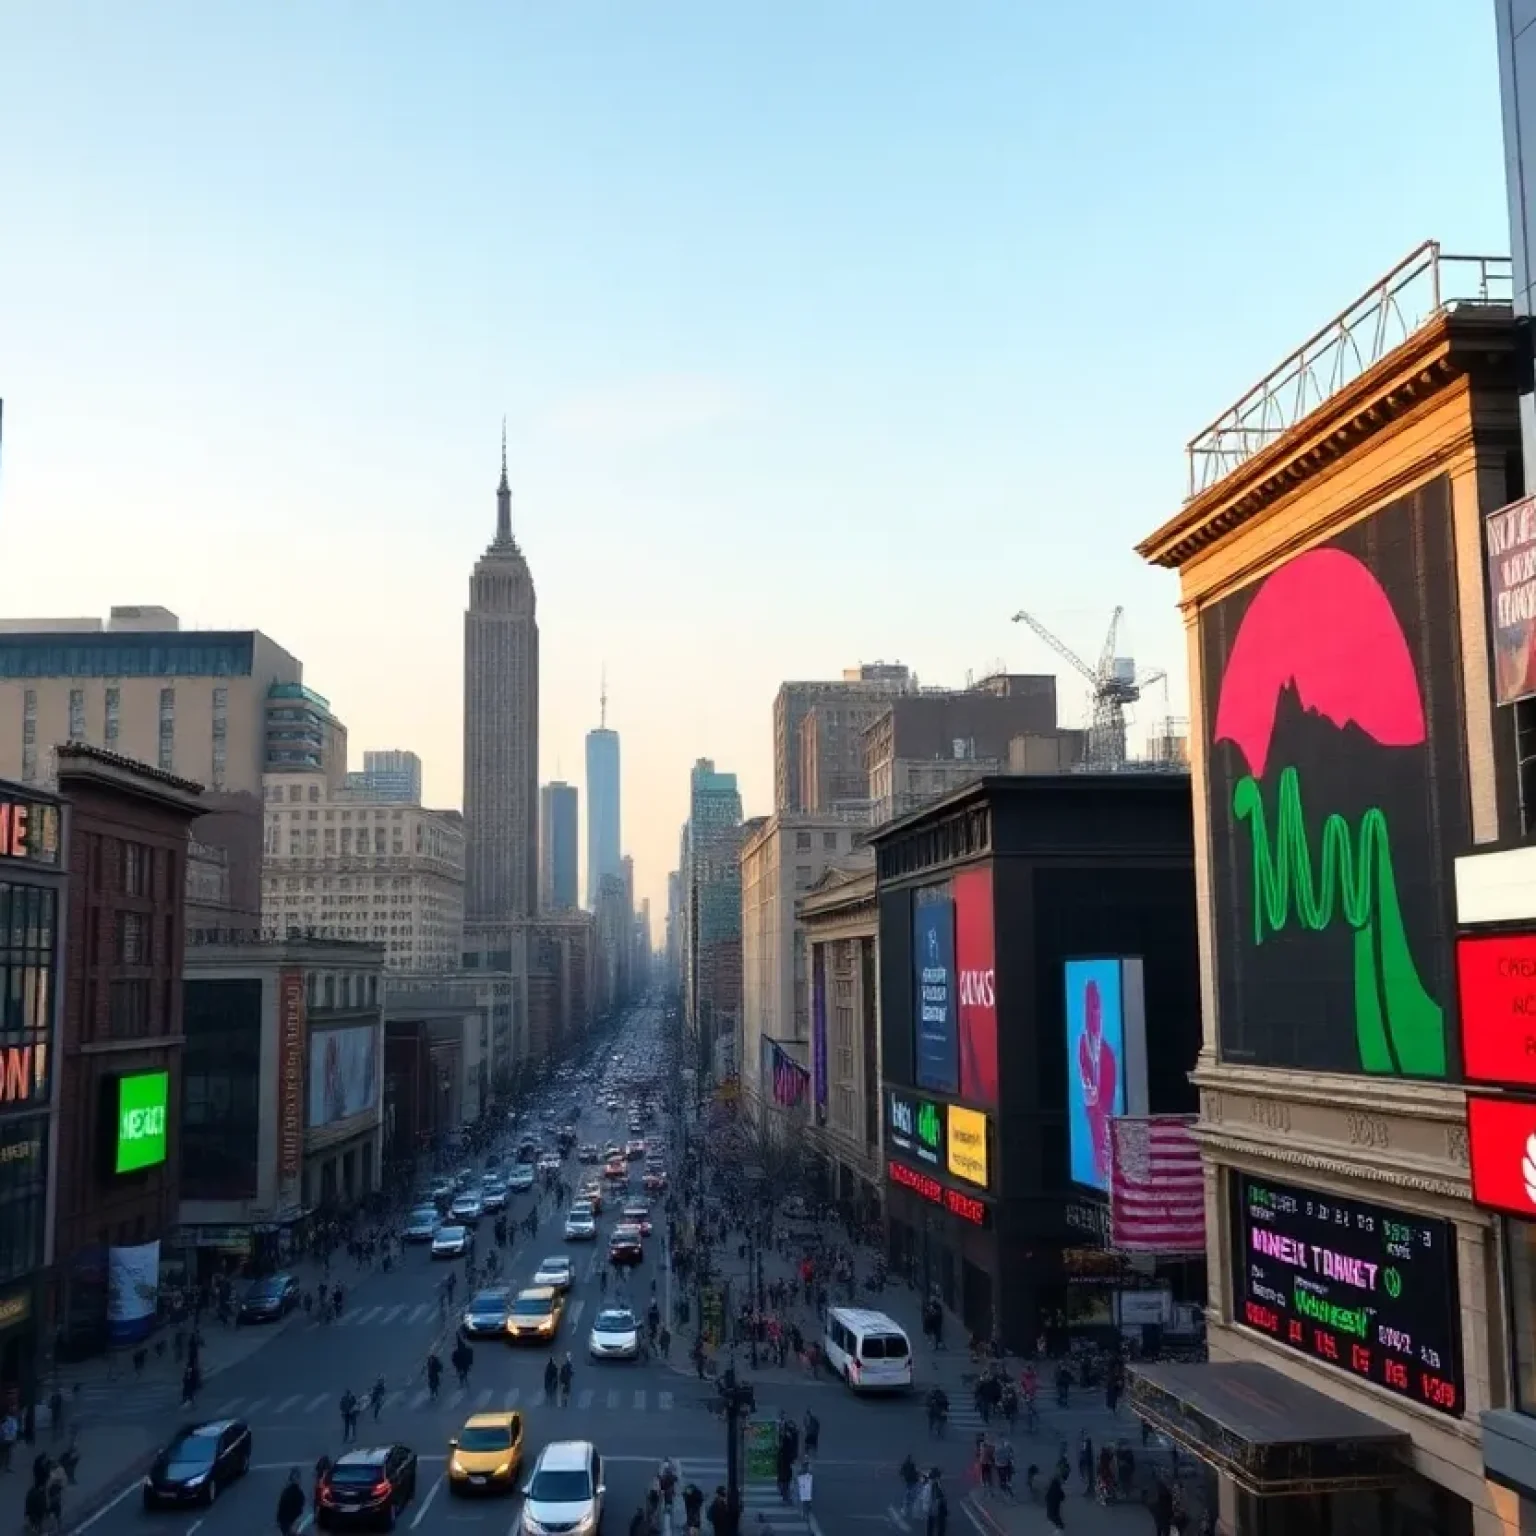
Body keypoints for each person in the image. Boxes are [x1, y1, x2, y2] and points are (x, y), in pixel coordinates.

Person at [276, 1468, 306, 1536]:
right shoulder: (298, 1493)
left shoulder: (285, 1491)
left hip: (284, 1523)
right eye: (299, 1478)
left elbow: (280, 1507)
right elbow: (300, 1508)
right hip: (292, 1523)